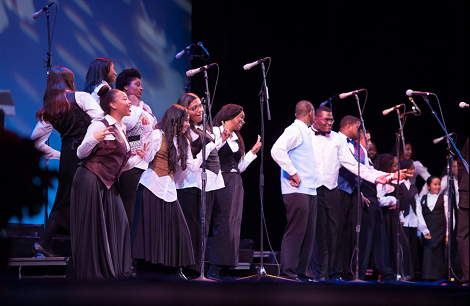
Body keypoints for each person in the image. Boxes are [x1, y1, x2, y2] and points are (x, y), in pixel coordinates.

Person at [131, 104, 216, 279]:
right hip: (152, 186)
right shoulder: (157, 135)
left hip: (168, 189)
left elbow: (191, 166)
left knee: (177, 230)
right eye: (184, 120)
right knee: (152, 229)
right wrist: (141, 152)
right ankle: (149, 270)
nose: (187, 123)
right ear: (175, 120)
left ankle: (173, 269)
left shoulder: (182, 141)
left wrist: (208, 149)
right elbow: (148, 158)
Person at [70, 86, 146, 280]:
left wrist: (139, 158)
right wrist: (93, 140)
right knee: (92, 228)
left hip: (109, 183)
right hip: (90, 179)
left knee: (120, 223)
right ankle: (93, 274)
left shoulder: (121, 129)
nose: (129, 101)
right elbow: (80, 153)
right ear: (112, 104)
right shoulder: (99, 124)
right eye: (124, 98)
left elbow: (122, 165)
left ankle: (116, 271)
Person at [309, 108, 392, 281]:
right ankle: (324, 272)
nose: (360, 131)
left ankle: (341, 271)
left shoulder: (347, 144)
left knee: (343, 234)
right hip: (330, 189)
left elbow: (357, 167)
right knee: (326, 232)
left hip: (348, 192)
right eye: (358, 127)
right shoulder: (323, 138)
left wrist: (380, 179)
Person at [30, 66, 104, 257]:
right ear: (70, 80)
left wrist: (59, 155)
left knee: (68, 198)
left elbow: (34, 142)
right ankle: (45, 242)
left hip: (69, 153)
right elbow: (99, 118)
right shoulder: (81, 97)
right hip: (85, 151)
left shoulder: (51, 107)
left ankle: (50, 243)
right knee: (73, 199)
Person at [174, 93, 228, 276]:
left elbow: (207, 151)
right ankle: (189, 269)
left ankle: (198, 269)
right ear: (185, 111)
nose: (199, 110)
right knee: (193, 227)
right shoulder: (186, 131)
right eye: (194, 108)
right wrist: (212, 145)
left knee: (202, 228)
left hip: (206, 183)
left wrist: (219, 142)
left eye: (200, 106)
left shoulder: (200, 128)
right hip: (190, 183)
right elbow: (194, 157)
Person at [207, 104, 261, 279]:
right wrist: (221, 140)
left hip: (235, 181)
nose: (243, 121)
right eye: (241, 117)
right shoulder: (214, 131)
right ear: (230, 116)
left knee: (233, 225)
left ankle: (227, 267)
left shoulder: (237, 137)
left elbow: (239, 167)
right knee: (223, 223)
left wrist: (252, 152)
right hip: (219, 180)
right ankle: (214, 267)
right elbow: (207, 154)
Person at [271, 100, 318, 281]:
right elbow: (277, 150)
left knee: (308, 233)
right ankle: (288, 272)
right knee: (296, 231)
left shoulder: (306, 132)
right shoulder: (295, 130)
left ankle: (303, 271)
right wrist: (293, 173)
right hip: (297, 190)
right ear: (310, 113)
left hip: (309, 190)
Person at [115, 68, 156, 228]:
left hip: (146, 164)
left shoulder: (146, 109)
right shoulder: (124, 109)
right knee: (129, 208)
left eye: (141, 85)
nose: (141, 88)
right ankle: (125, 248)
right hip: (130, 163)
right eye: (137, 85)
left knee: (140, 209)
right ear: (126, 87)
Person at [376, 154, 415, 280]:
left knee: (402, 244)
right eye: (394, 165)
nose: (396, 168)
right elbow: (378, 200)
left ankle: (403, 273)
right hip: (385, 217)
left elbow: (399, 201)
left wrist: (401, 217)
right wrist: (392, 200)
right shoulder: (381, 180)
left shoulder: (395, 181)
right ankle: (392, 274)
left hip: (394, 217)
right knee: (389, 245)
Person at [398, 159, 429, 273]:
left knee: (412, 250)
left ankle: (409, 274)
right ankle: (401, 272)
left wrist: (423, 228)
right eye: (409, 168)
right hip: (402, 222)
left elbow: (418, 209)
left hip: (412, 223)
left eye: (413, 169)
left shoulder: (413, 187)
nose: (412, 171)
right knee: (403, 249)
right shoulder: (398, 185)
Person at [419, 175, 450, 281]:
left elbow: (449, 217)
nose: (438, 187)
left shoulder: (444, 198)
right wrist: (420, 232)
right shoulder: (422, 199)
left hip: (440, 230)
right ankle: (427, 276)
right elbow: (420, 216)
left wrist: (448, 233)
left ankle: (439, 276)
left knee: (439, 253)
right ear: (428, 186)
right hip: (428, 230)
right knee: (428, 252)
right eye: (435, 184)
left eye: (439, 184)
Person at [457, 138, 469, 284]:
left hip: (466, 192)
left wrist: (464, 182)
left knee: (464, 237)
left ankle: (467, 276)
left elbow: (461, 162)